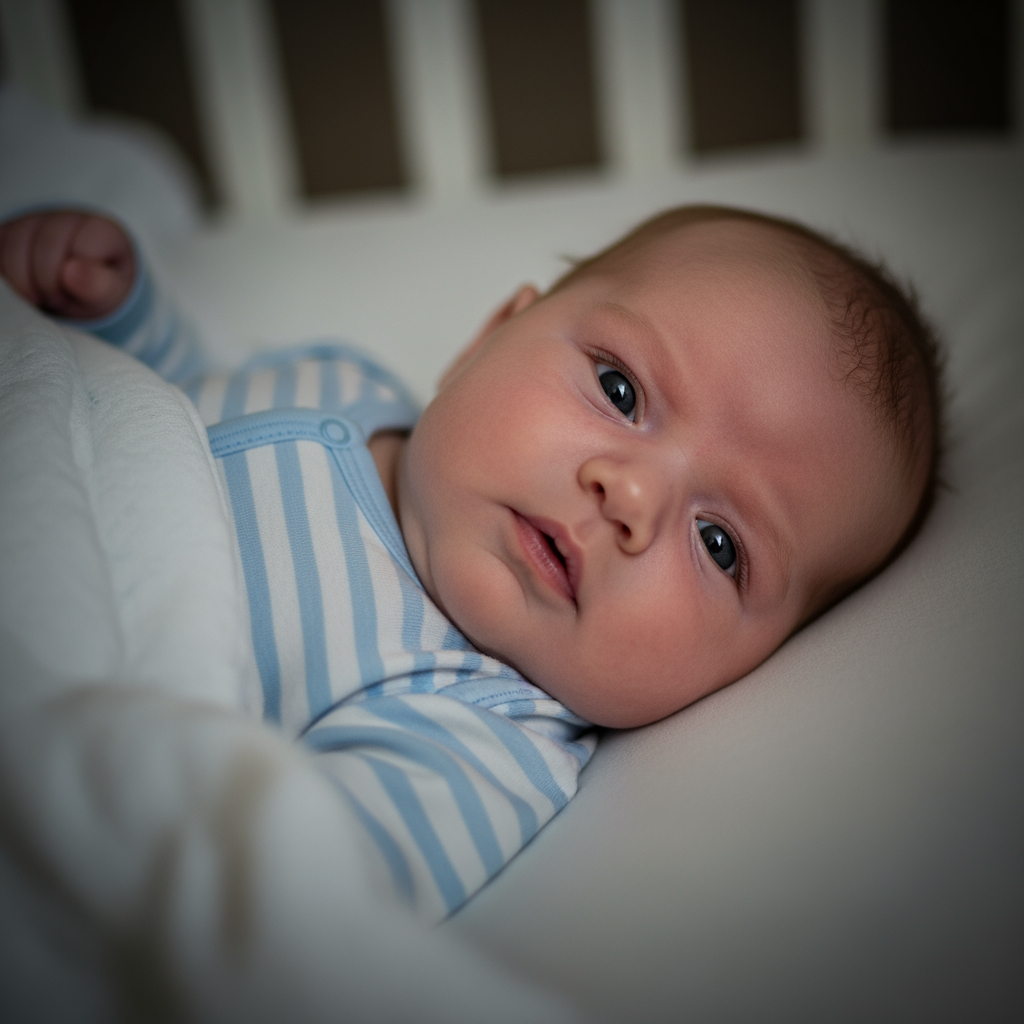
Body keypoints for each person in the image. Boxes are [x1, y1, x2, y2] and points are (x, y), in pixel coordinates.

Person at [0, 204, 942, 916]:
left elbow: (295, 900)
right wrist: (114, 320)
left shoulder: (479, 738)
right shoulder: (346, 380)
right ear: (491, 334)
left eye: (721, 544)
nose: (633, 496)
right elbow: (164, 399)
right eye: (619, 388)